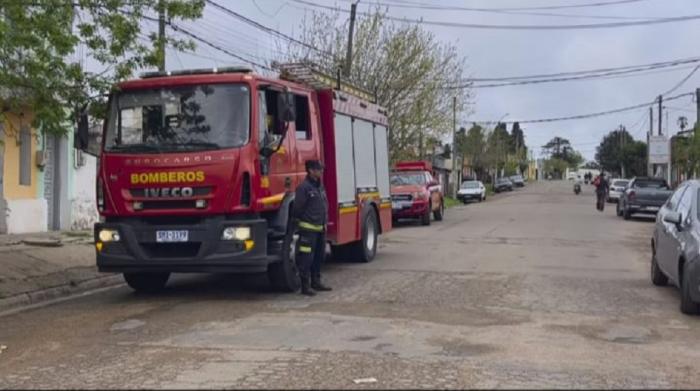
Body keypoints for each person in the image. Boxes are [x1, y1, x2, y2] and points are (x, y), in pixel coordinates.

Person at [293, 160, 332, 296]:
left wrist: (324, 222)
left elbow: (323, 205)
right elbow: (297, 208)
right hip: (308, 230)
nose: (321, 171)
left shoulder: (319, 187)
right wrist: (306, 220)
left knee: (319, 257)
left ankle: (316, 282)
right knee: (306, 258)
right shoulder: (303, 188)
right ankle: (305, 286)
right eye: (319, 169)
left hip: (320, 229)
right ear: (310, 170)